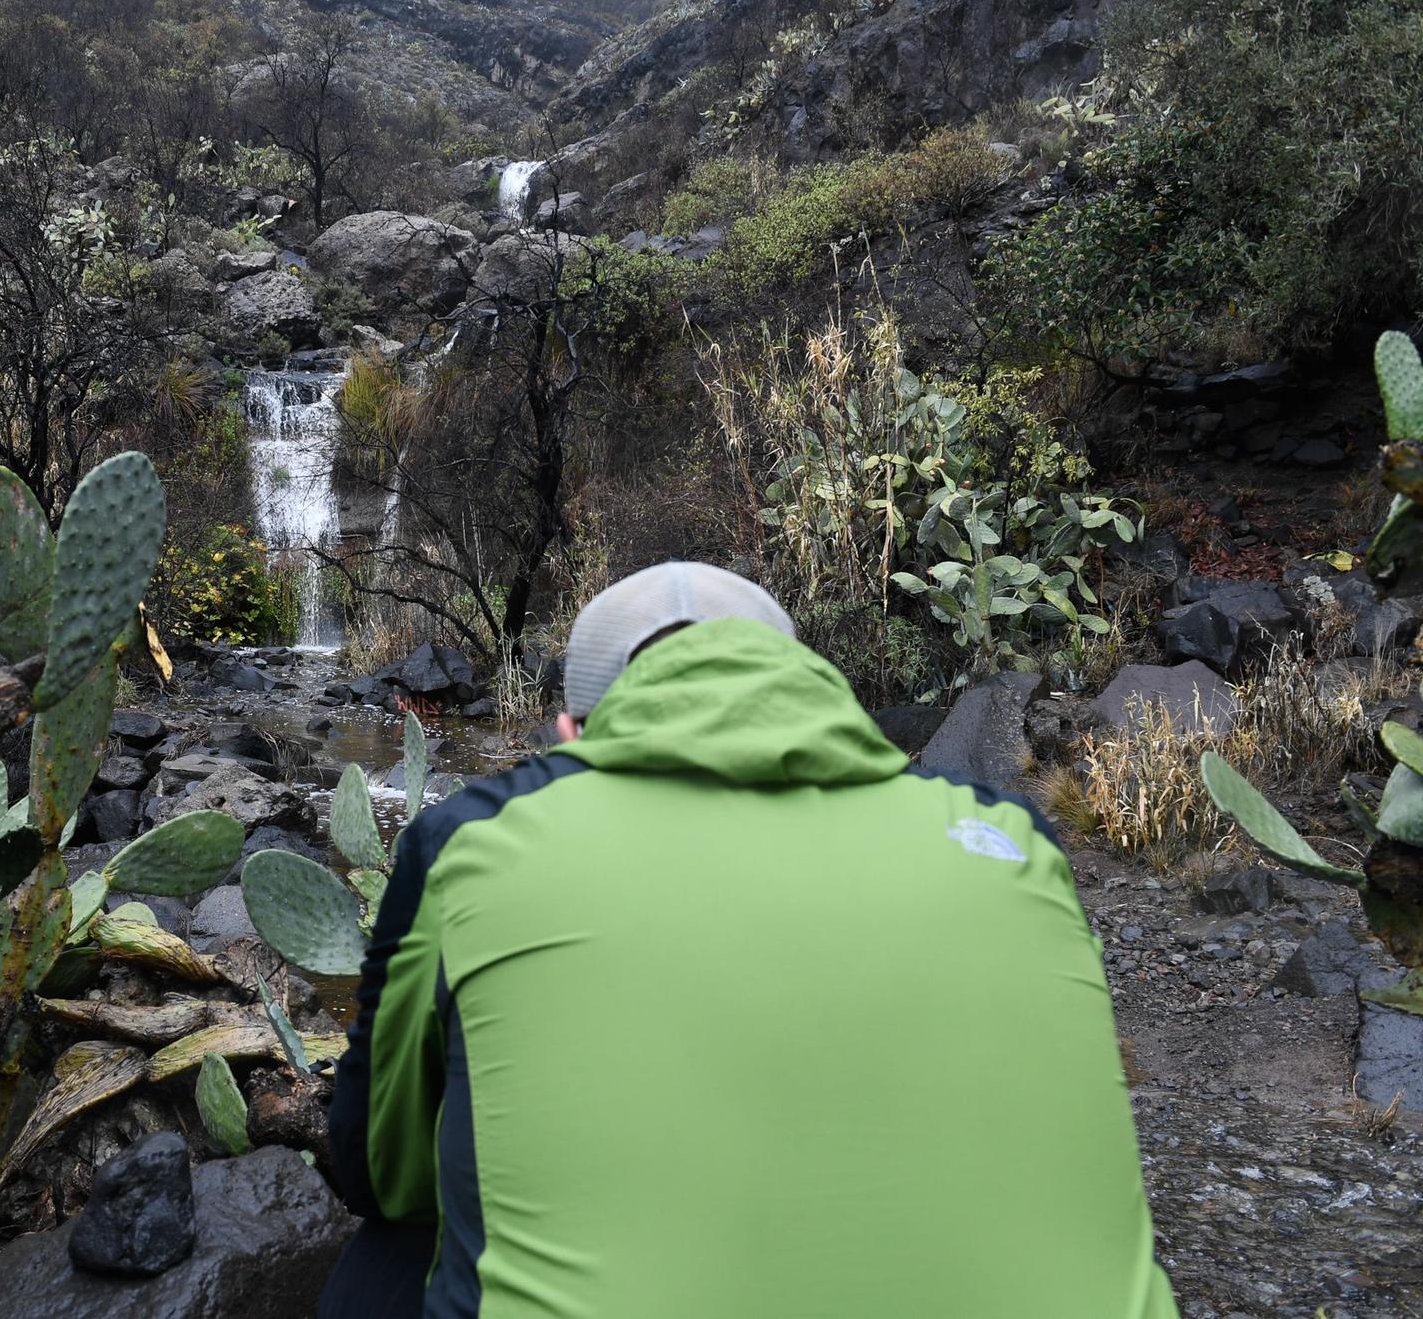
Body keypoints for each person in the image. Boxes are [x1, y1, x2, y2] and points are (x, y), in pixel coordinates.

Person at [318, 561, 1177, 1318]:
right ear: (808, 694)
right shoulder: (1015, 840)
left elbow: (378, 1173)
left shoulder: (473, 839)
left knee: (385, 1263)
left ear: (572, 735)